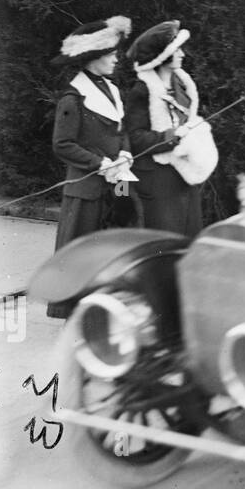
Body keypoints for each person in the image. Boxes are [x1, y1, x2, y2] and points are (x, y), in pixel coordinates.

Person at [48, 16, 136, 314]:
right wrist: (99, 163)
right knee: (80, 251)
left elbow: (120, 132)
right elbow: (62, 145)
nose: (115, 60)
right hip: (86, 189)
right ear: (95, 58)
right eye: (110, 55)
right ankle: (72, 313)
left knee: (110, 249)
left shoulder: (113, 91)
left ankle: (101, 310)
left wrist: (124, 154)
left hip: (117, 184)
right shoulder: (73, 98)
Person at [124, 20, 216, 238]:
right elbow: (136, 139)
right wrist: (172, 137)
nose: (183, 54)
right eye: (178, 50)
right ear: (163, 55)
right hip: (157, 181)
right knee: (164, 242)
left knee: (188, 238)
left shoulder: (181, 87)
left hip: (183, 175)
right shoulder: (141, 91)